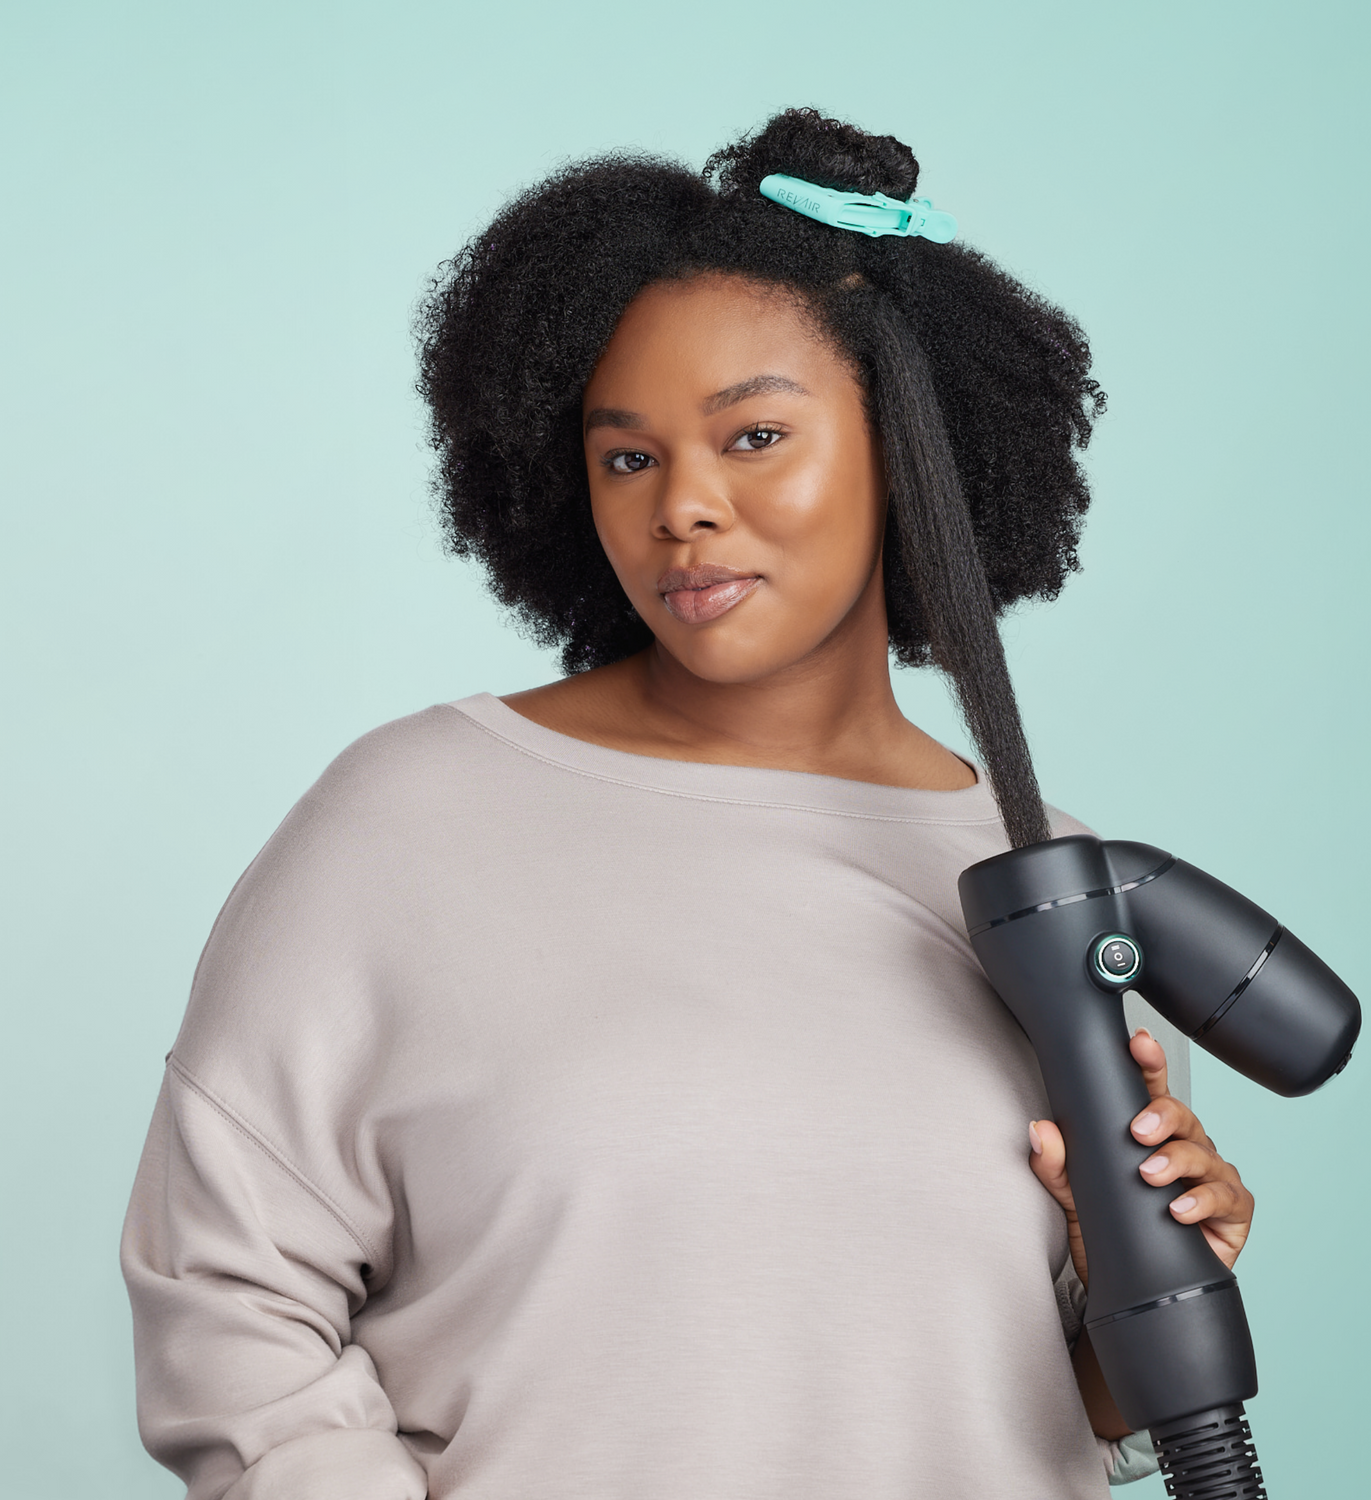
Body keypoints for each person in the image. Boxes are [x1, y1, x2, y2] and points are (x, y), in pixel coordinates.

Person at [121, 108, 1254, 1499]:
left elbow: (1035, 1411)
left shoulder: (1054, 880)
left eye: (756, 435)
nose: (683, 510)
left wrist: (1130, 1276)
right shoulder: (414, 818)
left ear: (911, 443)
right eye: (628, 456)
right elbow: (228, 1294)